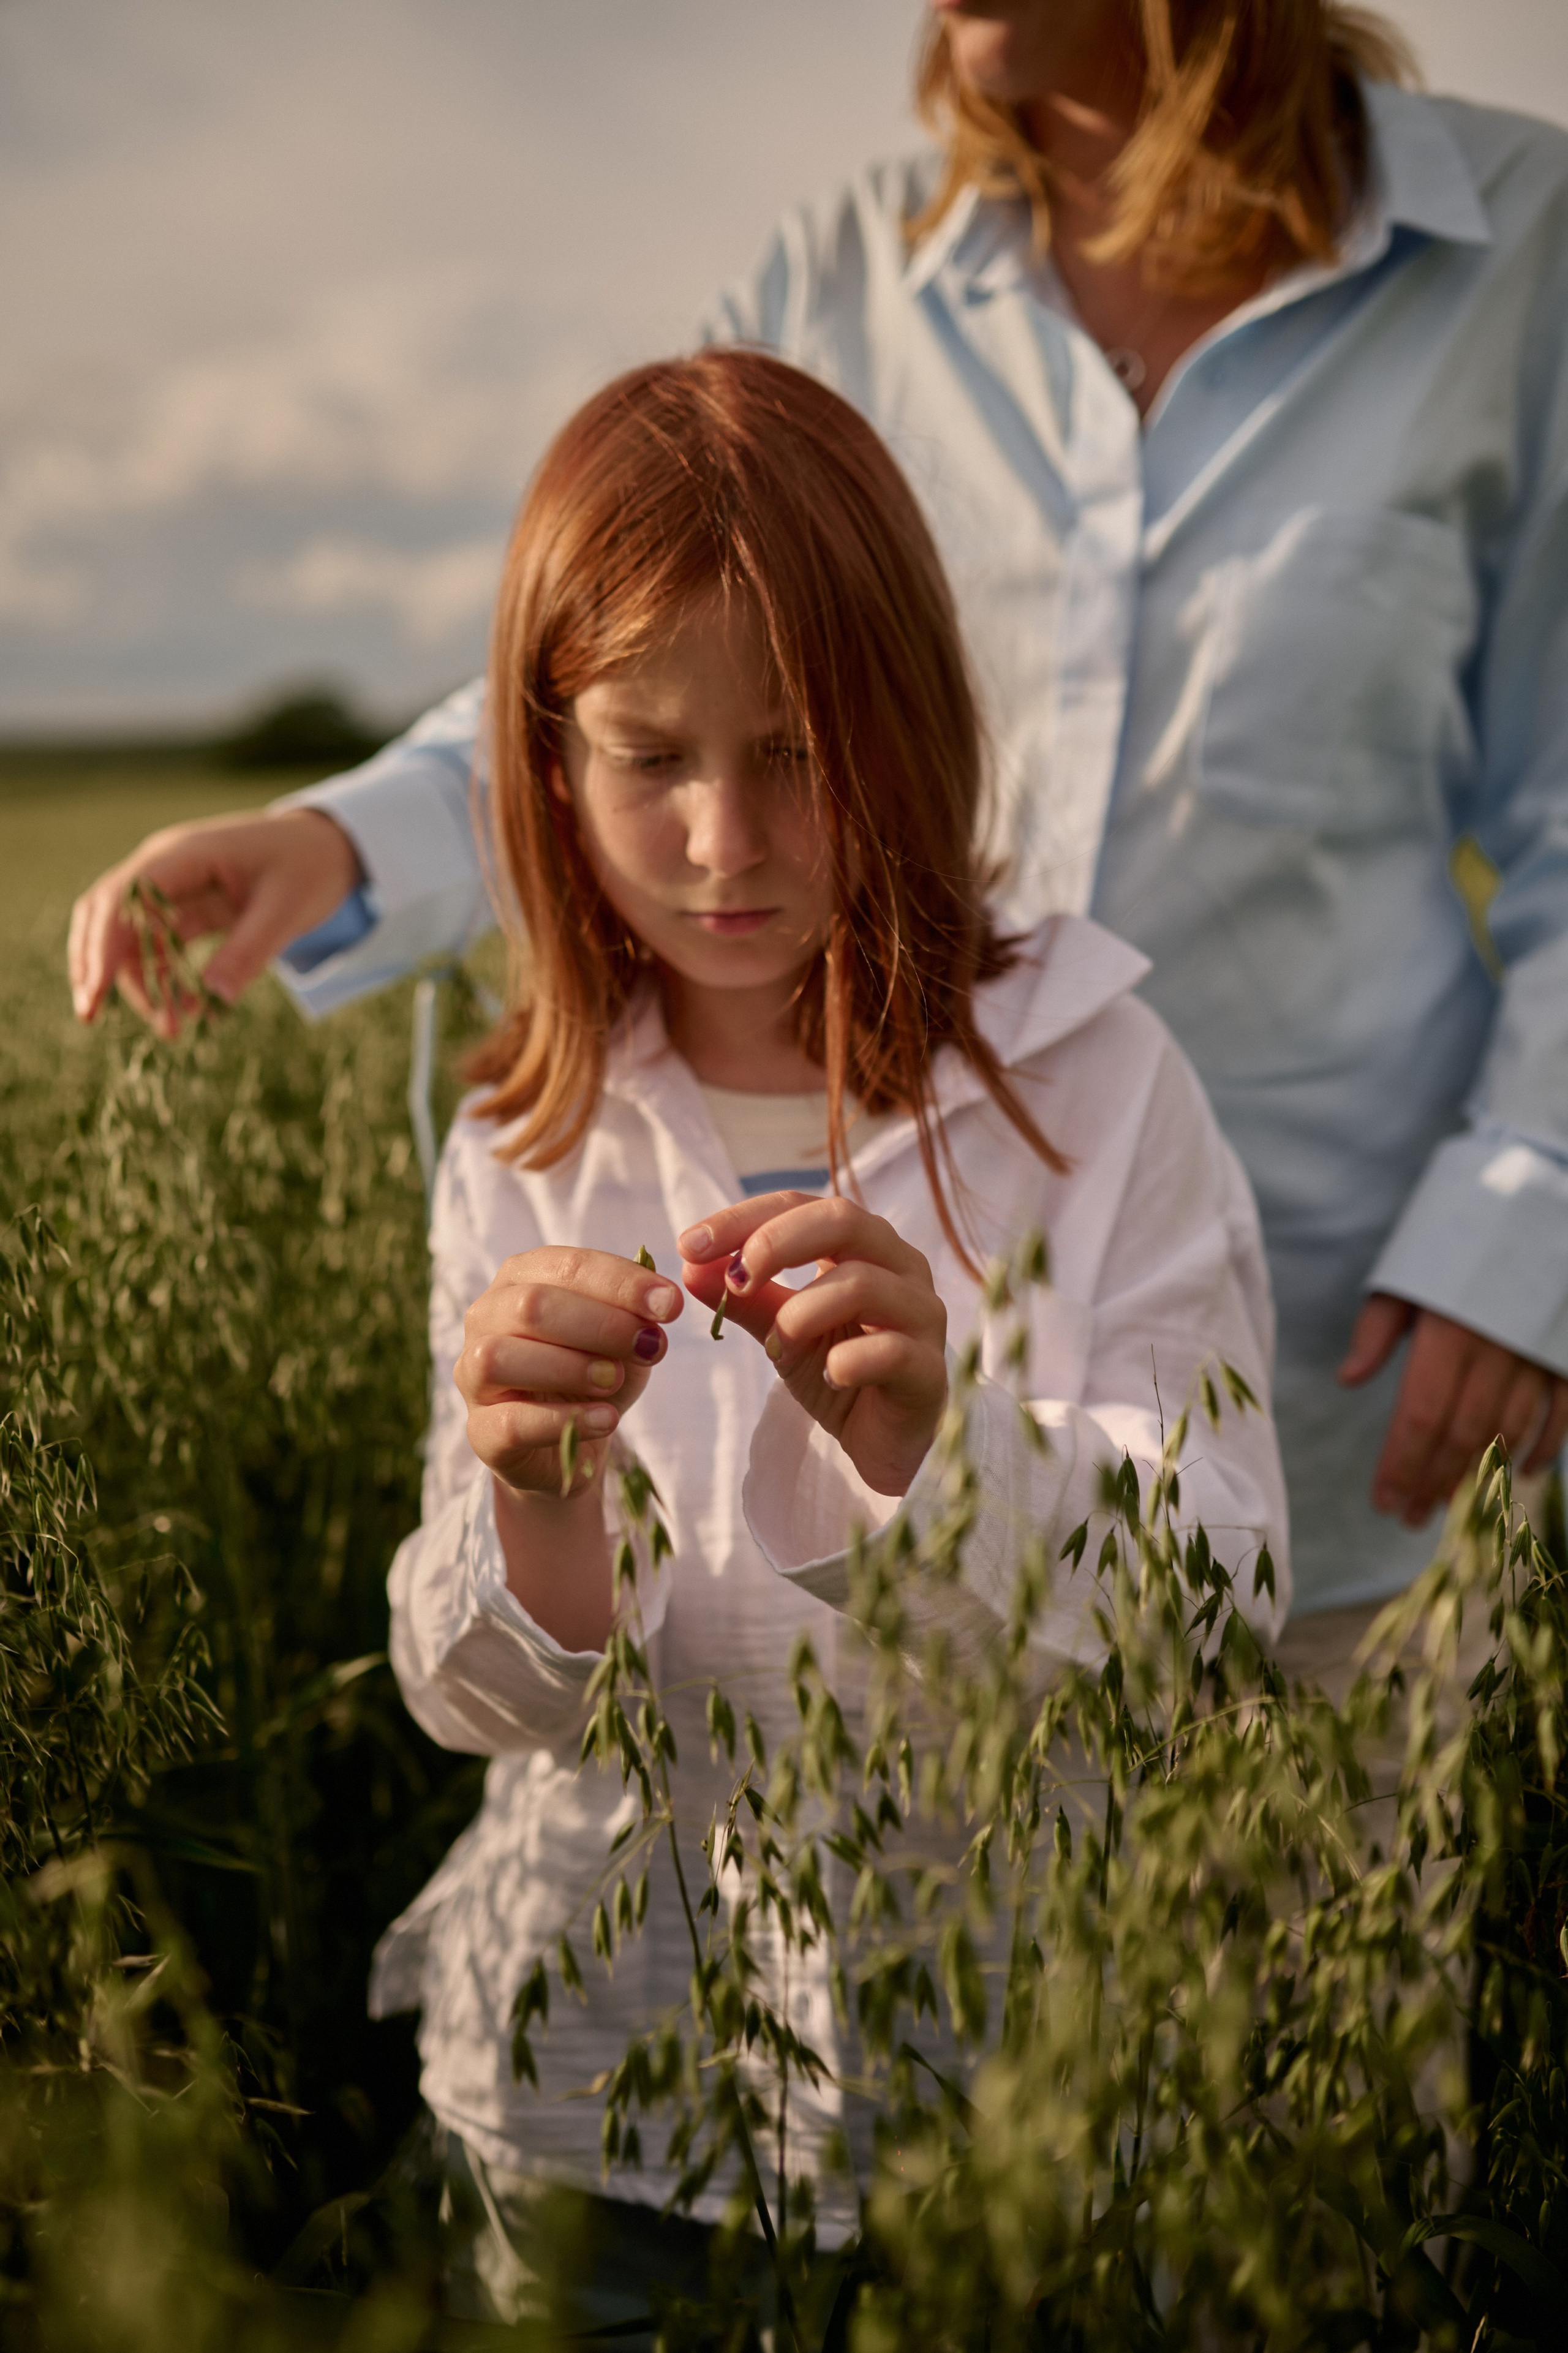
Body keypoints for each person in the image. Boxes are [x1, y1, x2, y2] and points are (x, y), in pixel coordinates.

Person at [67, 0, 1568, 1652]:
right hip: (866, 1438)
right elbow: (642, 669)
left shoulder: (1526, 257)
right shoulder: (841, 275)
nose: (732, 836)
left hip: (1368, 1368)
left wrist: (1530, 1212)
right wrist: (351, 845)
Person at [369, 348, 1287, 2324]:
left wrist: (939, 1455)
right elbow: (479, 1700)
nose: (725, 840)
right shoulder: (526, 1136)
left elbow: (1219, 1609)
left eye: (793, 750)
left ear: (912, 728)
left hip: (1014, 2104)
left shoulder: (1100, 1084)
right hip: (595, 2098)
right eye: (650, 756)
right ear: (547, 764)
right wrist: (535, 1501)